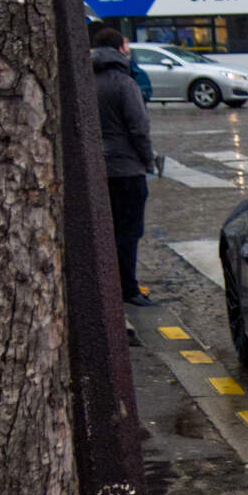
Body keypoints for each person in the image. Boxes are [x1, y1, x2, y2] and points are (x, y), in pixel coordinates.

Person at [90, 26, 155, 305]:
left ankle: (106, 285)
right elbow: (139, 128)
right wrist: (148, 160)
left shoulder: (85, 81)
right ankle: (127, 288)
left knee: (106, 231)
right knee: (129, 232)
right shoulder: (124, 82)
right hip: (126, 169)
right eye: (127, 47)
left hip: (97, 169)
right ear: (120, 50)